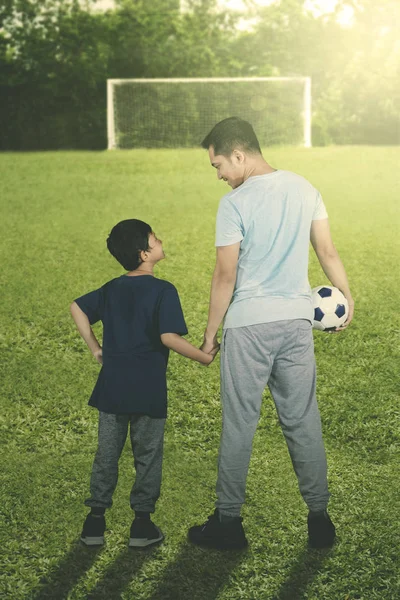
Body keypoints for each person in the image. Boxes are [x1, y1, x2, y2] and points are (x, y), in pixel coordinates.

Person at [188, 117, 354, 551]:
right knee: (302, 419)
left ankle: (229, 524)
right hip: (297, 325)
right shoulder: (306, 188)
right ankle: (320, 519)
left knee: (240, 422)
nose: (220, 175)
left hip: (249, 328)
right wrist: (347, 297)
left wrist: (209, 335)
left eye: (219, 165)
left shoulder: (235, 204)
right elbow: (328, 251)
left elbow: (225, 276)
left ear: (239, 155)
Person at [70, 219, 219, 548]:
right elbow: (168, 337)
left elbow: (77, 307)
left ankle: (94, 523)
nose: (160, 239)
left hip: (112, 389)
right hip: (148, 391)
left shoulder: (111, 288)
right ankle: (141, 526)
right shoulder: (163, 290)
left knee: (107, 455)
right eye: (154, 237)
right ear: (144, 253)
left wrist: (96, 349)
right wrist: (203, 356)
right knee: (148, 456)